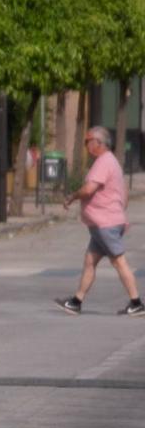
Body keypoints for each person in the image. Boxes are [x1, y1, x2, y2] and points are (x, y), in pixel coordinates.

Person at [55, 126, 143, 316]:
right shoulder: (112, 162)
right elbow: (124, 194)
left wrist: (72, 196)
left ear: (98, 143)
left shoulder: (104, 162)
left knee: (119, 262)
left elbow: (88, 189)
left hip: (105, 224)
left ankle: (136, 303)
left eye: (88, 141)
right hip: (103, 224)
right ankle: (76, 302)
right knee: (89, 262)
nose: (86, 144)